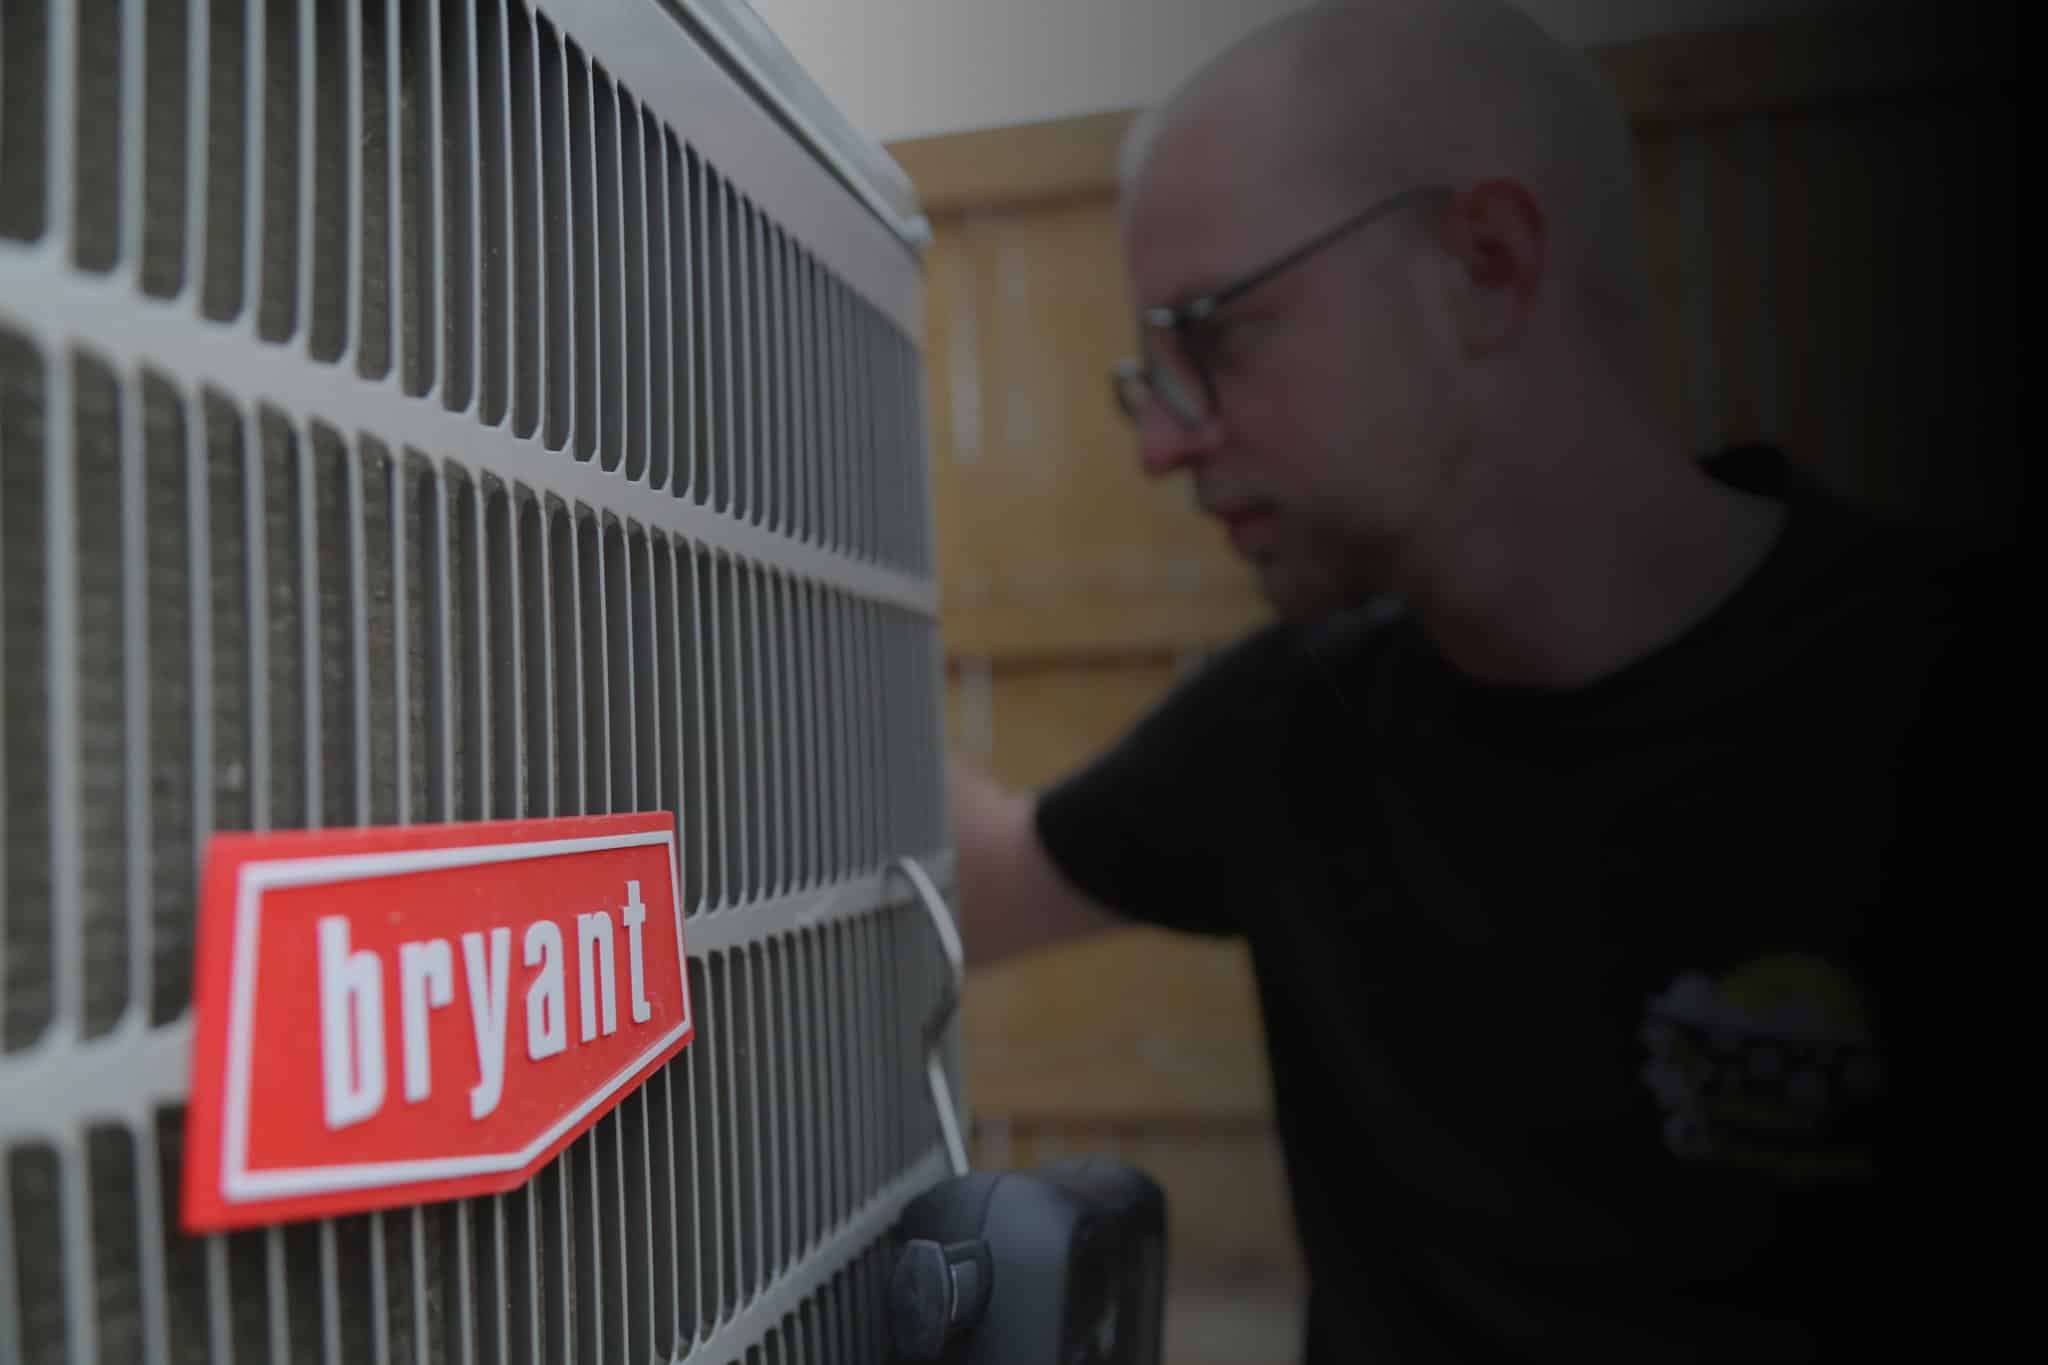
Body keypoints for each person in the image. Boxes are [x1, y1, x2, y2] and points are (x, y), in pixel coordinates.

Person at [946, 0, 2011, 1359]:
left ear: (1487, 265)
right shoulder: (1295, 727)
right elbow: (973, 884)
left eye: (1216, 335)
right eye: (1150, 372)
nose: (1164, 442)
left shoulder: (1951, 698)